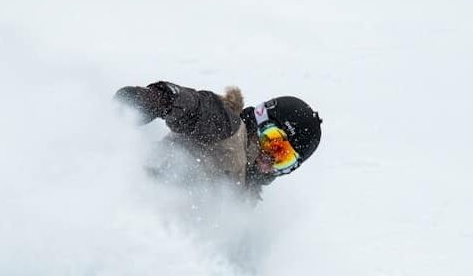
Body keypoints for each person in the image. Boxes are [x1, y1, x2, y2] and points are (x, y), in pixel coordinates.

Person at [114, 81, 322, 201]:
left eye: (283, 159)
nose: (269, 160)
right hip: (140, 195)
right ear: (260, 119)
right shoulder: (228, 129)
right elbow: (197, 108)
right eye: (273, 143)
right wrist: (158, 100)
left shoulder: (246, 196)